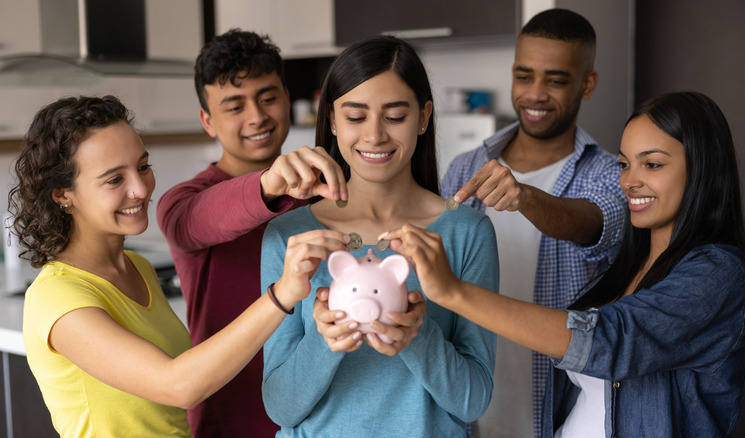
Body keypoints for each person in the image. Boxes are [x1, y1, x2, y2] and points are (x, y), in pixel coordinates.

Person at [385, 91, 745, 437]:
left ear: (702, 169)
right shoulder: (627, 267)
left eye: (652, 164)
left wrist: (454, 291)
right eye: (625, 164)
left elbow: (609, 340)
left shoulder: (718, 275)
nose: (630, 181)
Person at [16, 95, 326, 437]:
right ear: (63, 195)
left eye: (143, 166)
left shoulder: (137, 266)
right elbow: (178, 386)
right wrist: (282, 295)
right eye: (114, 180)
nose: (140, 189)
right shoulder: (56, 296)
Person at [259, 35, 499, 437]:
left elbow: (472, 402)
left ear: (423, 117)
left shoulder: (465, 232)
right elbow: (280, 408)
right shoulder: (290, 237)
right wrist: (325, 341)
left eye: (394, 116)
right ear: (332, 120)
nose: (374, 136)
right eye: (355, 117)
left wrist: (417, 335)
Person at [440, 8, 626, 437]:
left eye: (556, 80)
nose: (535, 93)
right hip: (466, 410)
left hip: (559, 415)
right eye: (525, 76)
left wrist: (524, 196)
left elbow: (589, 224)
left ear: (588, 84)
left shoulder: (610, 174)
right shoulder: (466, 166)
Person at [156, 30, 347, 436]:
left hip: (319, 417)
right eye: (234, 105)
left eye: (267, 97)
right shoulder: (183, 202)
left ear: (286, 97)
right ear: (207, 120)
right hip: (230, 419)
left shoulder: (324, 191)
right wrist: (269, 184)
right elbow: (200, 220)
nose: (257, 116)